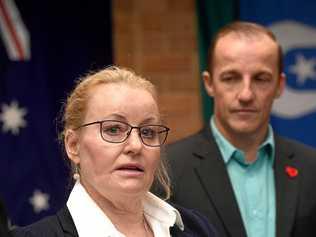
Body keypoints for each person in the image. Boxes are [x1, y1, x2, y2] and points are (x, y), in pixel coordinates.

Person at [11, 66, 217, 237]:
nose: (136, 146)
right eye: (113, 129)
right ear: (73, 145)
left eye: (147, 132)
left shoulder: (196, 228)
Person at [166, 21, 316, 237]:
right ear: (209, 83)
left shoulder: (311, 168)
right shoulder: (167, 171)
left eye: (261, 79)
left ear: (280, 86)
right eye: (231, 78)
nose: (246, 94)